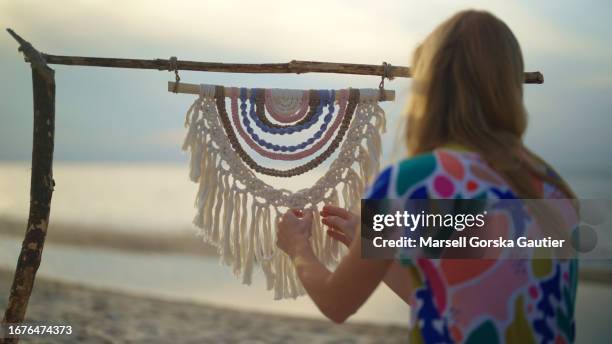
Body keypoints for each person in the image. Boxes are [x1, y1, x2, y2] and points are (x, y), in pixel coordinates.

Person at [276, 9, 578, 344]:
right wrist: (367, 245)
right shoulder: (554, 187)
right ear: (509, 88)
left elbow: (336, 303)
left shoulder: (416, 181)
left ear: (431, 88)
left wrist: (298, 247)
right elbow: (447, 294)